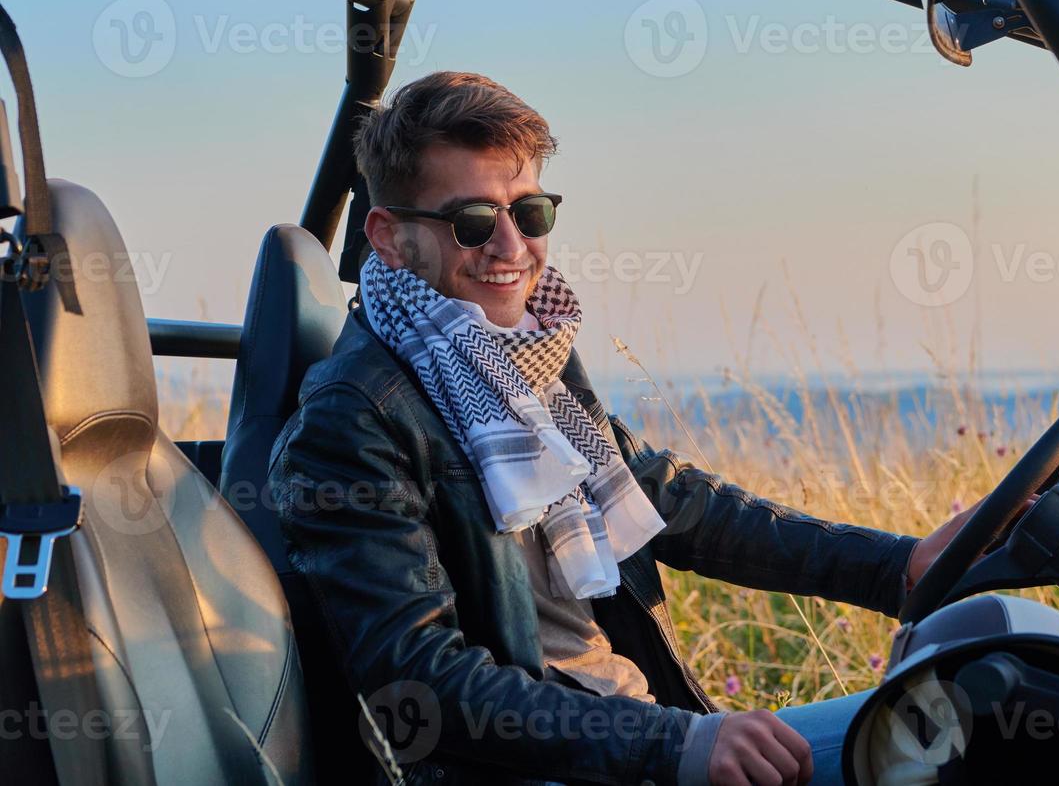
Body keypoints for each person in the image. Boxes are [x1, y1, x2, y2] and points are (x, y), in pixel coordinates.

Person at [268, 71, 988, 785]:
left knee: (978, 722)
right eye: (474, 223)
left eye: (532, 213)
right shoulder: (353, 419)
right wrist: (671, 746)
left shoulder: (526, 352)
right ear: (389, 239)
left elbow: (676, 505)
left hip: (639, 736)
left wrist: (899, 565)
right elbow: (421, 683)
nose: (512, 248)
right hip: (558, 766)